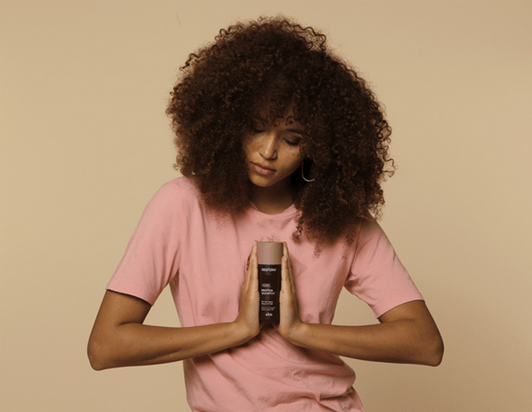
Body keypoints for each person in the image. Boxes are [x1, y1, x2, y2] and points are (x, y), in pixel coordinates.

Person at [88, 16, 443, 411]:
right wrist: (238, 330)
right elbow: (106, 346)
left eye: (293, 139)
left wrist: (300, 331)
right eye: (256, 128)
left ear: (320, 146)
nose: (269, 151)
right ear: (227, 122)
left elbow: (424, 344)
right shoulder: (182, 205)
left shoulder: (342, 223)